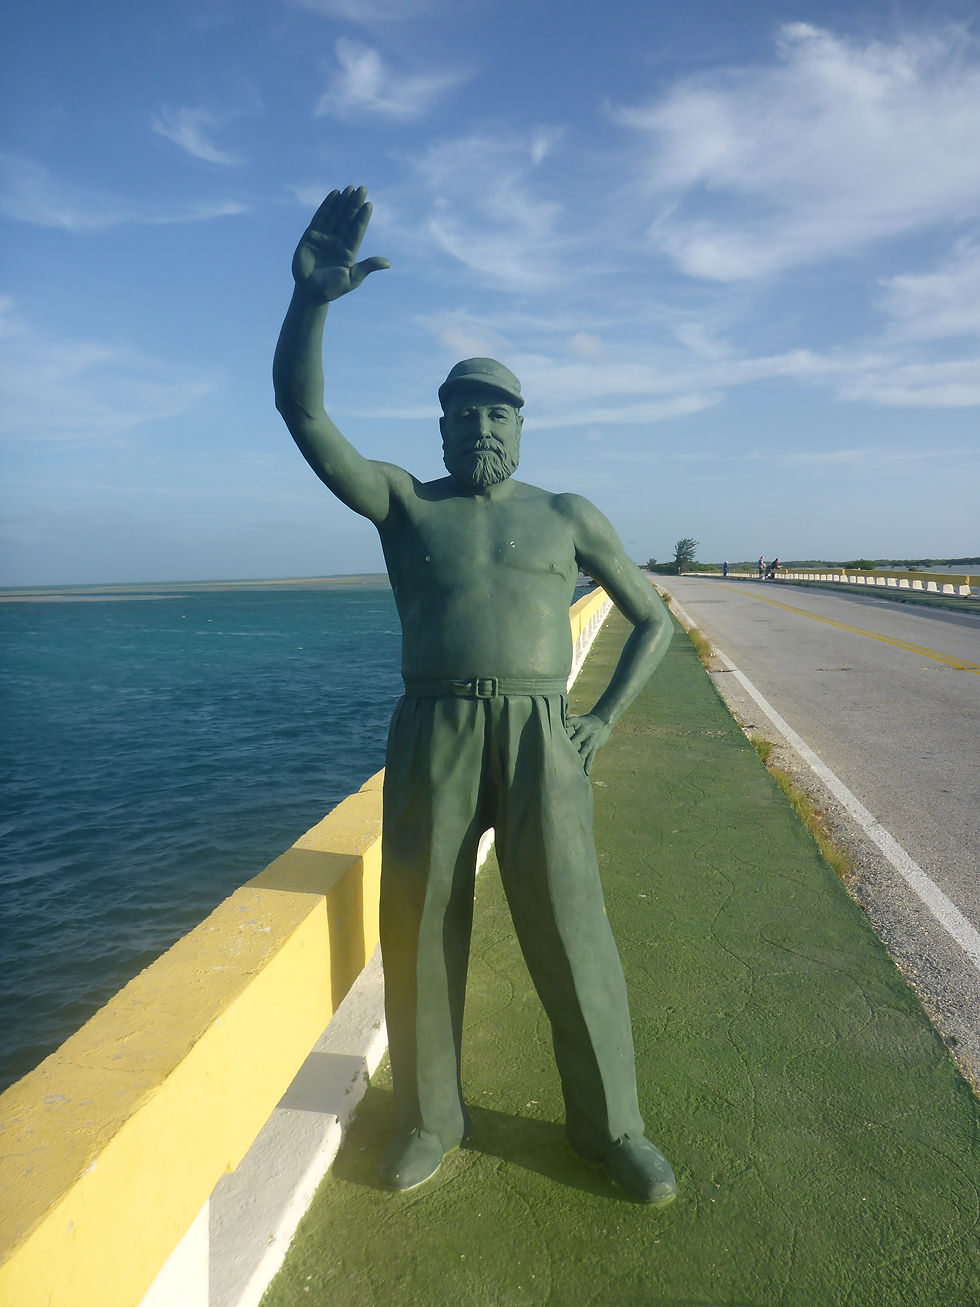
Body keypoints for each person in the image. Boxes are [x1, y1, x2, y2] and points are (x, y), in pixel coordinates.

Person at [273, 187, 676, 1206]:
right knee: (418, 927)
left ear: (520, 425)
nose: (480, 427)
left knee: (573, 929)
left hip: (543, 731)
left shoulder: (564, 514)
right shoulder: (407, 502)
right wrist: (310, 302)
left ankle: (610, 1127)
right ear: (442, 428)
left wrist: (598, 722)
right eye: (463, 413)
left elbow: (653, 618)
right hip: (434, 725)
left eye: (496, 412)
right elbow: (304, 415)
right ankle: (426, 1117)